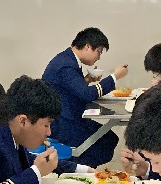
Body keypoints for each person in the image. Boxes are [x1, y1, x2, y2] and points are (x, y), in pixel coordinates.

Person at [42, 27, 129, 167]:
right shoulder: (66, 65)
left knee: (109, 139)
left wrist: (87, 80)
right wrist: (115, 77)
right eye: (99, 52)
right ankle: (75, 169)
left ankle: (81, 168)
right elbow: (87, 94)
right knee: (103, 146)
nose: (99, 57)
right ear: (88, 46)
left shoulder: (67, 59)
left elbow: (71, 89)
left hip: (69, 117)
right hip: (61, 123)